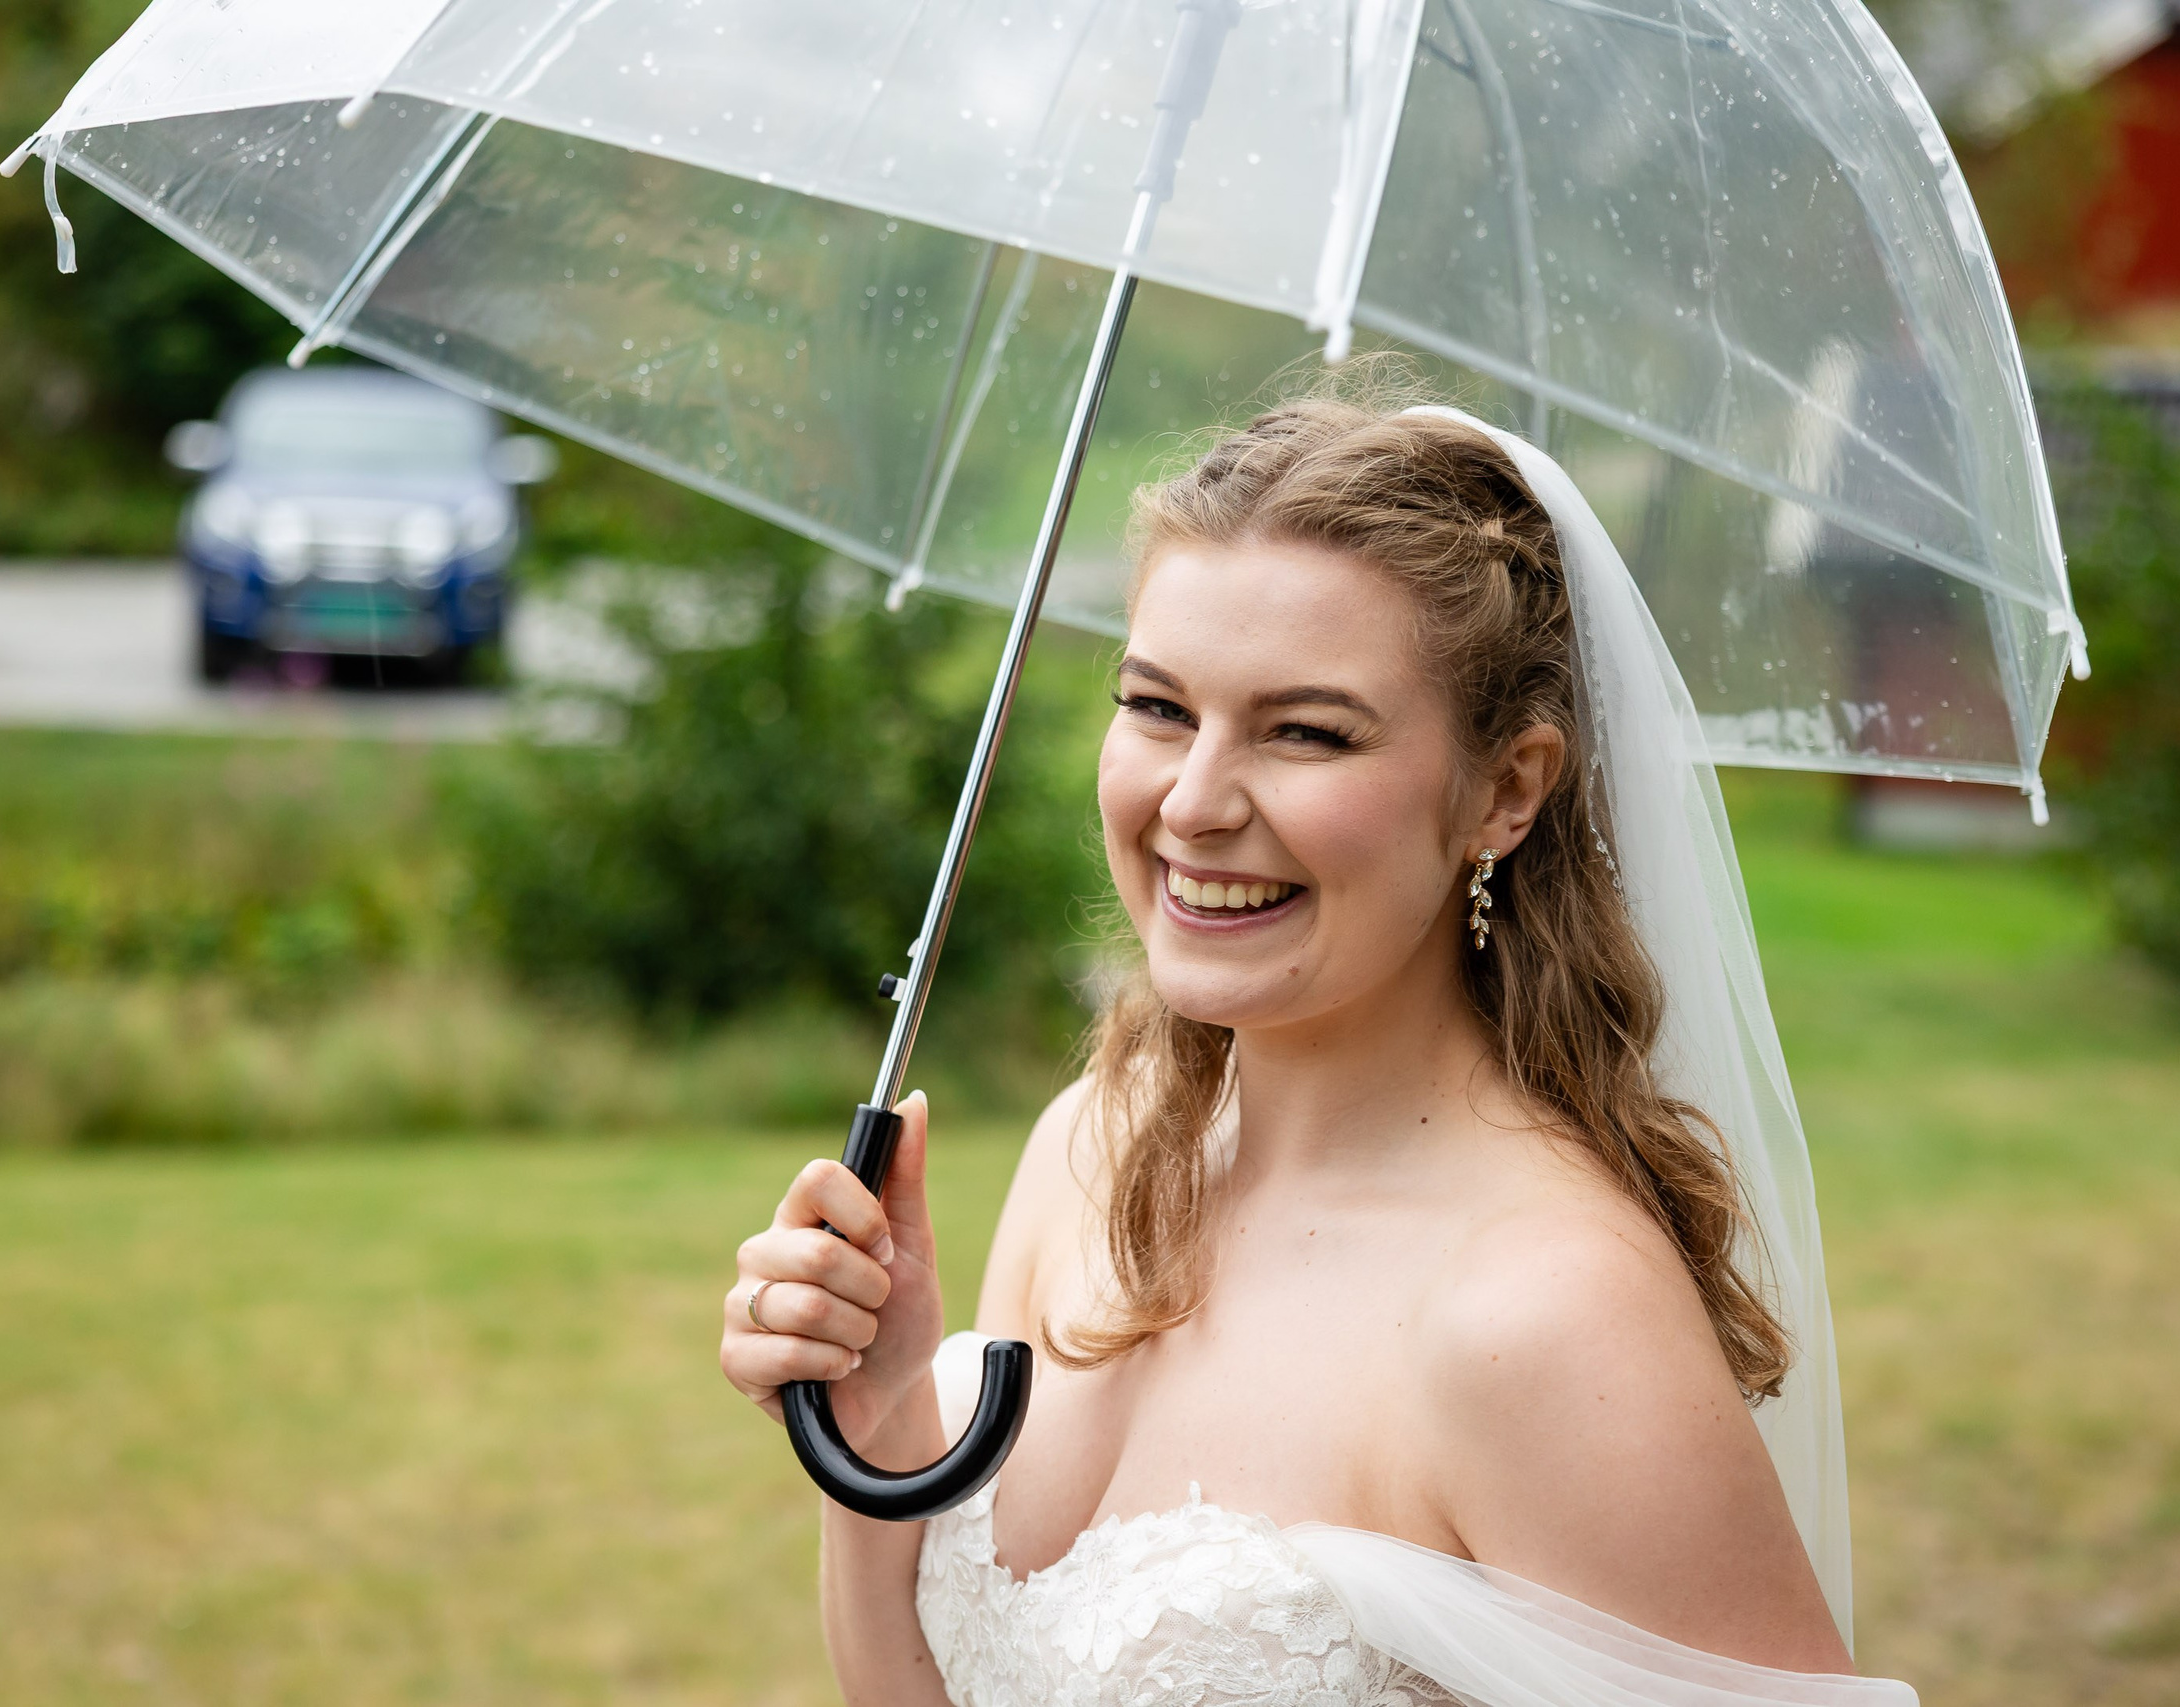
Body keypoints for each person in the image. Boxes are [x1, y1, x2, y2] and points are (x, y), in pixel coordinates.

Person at [719, 389, 1917, 1707]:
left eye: (1305, 731)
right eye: (1160, 707)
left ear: (1505, 791)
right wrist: (878, 1430)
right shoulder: (1089, 1149)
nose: (1193, 800)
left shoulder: (1542, 1315)